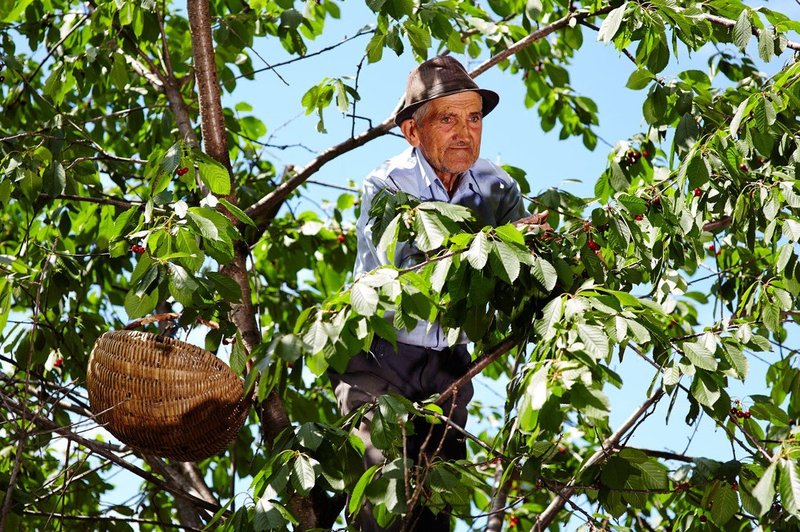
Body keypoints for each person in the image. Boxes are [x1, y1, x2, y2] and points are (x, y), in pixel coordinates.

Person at [329, 55, 530, 531]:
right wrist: (494, 248)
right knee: (385, 498)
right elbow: (410, 282)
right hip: (378, 357)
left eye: (474, 117)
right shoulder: (387, 184)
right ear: (413, 133)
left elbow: (520, 276)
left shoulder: (498, 187)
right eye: (448, 119)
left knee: (436, 511)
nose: (465, 132)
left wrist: (539, 252)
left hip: (448, 369)